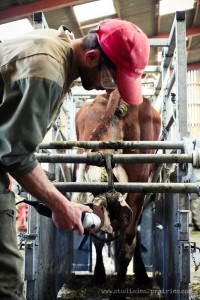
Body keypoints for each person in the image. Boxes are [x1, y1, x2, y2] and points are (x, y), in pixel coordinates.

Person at [0, 18, 149, 299]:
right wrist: (61, 205)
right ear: (92, 57)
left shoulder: (56, 49)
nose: (110, 90)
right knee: (6, 283)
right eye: (113, 80)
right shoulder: (48, 69)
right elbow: (16, 154)